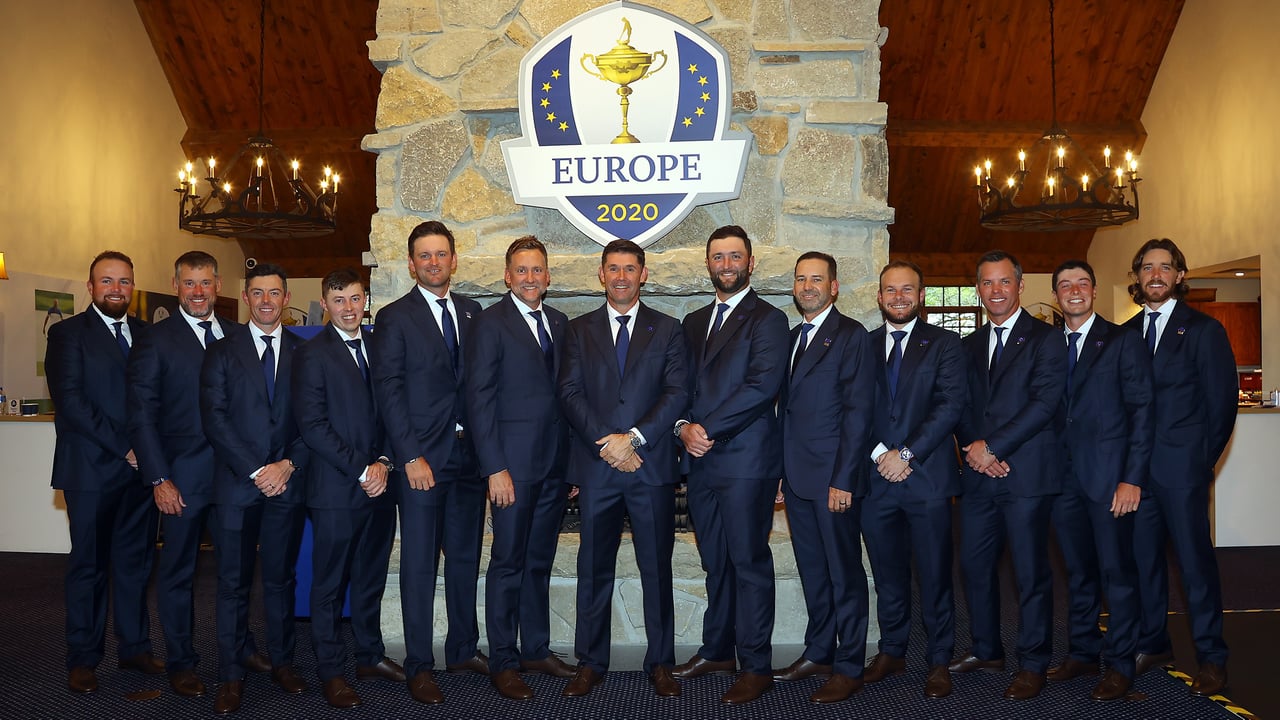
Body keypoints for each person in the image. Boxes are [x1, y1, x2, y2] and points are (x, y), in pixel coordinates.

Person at [557, 239, 689, 698]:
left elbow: (676, 393)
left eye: (629, 269)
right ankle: (590, 662)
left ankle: (661, 663)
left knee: (657, 568)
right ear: (601, 274)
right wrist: (607, 445)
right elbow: (569, 393)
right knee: (594, 568)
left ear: (643, 274)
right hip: (597, 469)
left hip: (648, 466)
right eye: (613, 268)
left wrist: (631, 439)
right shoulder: (577, 331)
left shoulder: (669, 329)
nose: (621, 277)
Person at [129, 251, 259, 698]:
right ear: (176, 284)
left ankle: (239, 649)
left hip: (237, 480)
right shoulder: (155, 339)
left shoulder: (241, 335)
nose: (199, 292)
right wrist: (158, 477)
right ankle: (182, 663)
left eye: (206, 283)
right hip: (181, 479)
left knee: (237, 573)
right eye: (190, 283)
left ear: (217, 285)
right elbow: (141, 414)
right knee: (178, 574)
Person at [370, 221, 487, 704]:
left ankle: (462, 648)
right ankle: (419, 664)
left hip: (469, 460)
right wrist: (410, 456)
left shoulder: (474, 312)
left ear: (453, 260)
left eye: (442, 254)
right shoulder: (395, 316)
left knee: (464, 559)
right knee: (419, 565)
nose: (434, 262)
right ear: (412, 262)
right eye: (425, 256)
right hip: (422, 462)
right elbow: (388, 392)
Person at [672, 225, 789, 705]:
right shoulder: (694, 321)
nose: (726, 264)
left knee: (749, 563)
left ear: (750, 262)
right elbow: (679, 387)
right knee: (715, 563)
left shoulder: (770, 320)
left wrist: (706, 430)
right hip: (700, 464)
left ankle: (756, 665)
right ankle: (718, 649)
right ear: (708, 264)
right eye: (717, 257)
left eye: (734, 256)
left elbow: (761, 388)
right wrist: (682, 425)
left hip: (745, 462)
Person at [1123, 238, 1237, 697]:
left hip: (1182, 472)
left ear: (1179, 276)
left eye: (1164, 268)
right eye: (1147, 267)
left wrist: (1198, 462)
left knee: (1195, 566)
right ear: (1138, 276)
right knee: (1144, 564)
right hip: (1136, 477)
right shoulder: (1125, 333)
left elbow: (1222, 405)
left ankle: (1212, 657)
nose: (1155, 275)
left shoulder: (1204, 331)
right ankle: (1154, 643)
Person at [950, 250, 1066, 701]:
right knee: (974, 566)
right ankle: (986, 649)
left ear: (1019, 286)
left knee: (1030, 573)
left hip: (1026, 476)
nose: (995, 291)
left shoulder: (1046, 339)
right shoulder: (968, 345)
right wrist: (974, 448)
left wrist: (993, 448)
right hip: (979, 479)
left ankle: (1033, 662)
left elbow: (1044, 404)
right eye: (986, 283)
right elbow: (958, 405)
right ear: (978, 288)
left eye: (1003, 282)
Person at [47, 251, 163, 694]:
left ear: (133, 287)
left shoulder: (148, 334)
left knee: (136, 566)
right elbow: (72, 403)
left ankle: (134, 649)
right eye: (107, 281)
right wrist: (128, 448)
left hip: (140, 475)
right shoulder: (66, 334)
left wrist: (149, 453)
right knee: (89, 568)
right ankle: (83, 658)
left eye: (125, 281)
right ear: (91, 286)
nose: (117, 289)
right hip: (92, 471)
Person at [465, 236, 575, 700]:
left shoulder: (560, 322)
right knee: (507, 563)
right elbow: (479, 400)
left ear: (547, 276)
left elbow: (566, 398)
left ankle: (536, 648)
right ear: (507, 276)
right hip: (510, 467)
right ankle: (504, 660)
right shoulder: (490, 324)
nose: (531, 278)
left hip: (552, 467)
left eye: (538, 270)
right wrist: (494, 467)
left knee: (538, 561)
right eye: (521, 270)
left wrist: (569, 468)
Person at [199, 262, 309, 713]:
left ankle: (283, 662)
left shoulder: (307, 354)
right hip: (237, 489)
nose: (266, 301)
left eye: (274, 293)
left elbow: (316, 420)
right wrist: (255, 470)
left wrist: (287, 465)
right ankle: (230, 674)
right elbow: (215, 420)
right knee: (232, 584)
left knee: (282, 580)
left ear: (286, 298)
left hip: (287, 485)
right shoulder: (221, 352)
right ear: (246, 298)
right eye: (258, 293)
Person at [292, 268, 402, 709]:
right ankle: (331, 671)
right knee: (330, 585)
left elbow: (396, 410)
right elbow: (313, 426)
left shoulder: (380, 345)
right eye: (339, 300)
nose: (349, 308)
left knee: (371, 577)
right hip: (337, 489)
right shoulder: (311, 354)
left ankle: (369, 655)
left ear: (366, 300)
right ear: (325, 304)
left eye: (355, 299)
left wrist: (386, 463)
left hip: (382, 484)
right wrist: (363, 469)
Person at [1046, 259, 1153, 702]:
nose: (1074, 290)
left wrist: (1132, 479)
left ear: (1092, 292)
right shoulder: (1048, 345)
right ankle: (1084, 652)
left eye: (1082, 283)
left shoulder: (1123, 341)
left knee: (1117, 574)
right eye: (1065, 285)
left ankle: (1121, 666)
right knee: (1077, 572)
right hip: (1061, 480)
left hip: (1110, 479)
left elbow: (1143, 413)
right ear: (1056, 295)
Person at [772, 252, 874, 704]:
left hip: (833, 480)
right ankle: (819, 651)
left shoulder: (851, 336)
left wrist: (845, 479)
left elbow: (858, 415)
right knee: (814, 572)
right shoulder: (794, 338)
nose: (808, 286)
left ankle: (849, 665)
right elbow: (784, 413)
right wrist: (779, 473)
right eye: (801, 279)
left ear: (834, 287)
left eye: (817, 279)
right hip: (796, 479)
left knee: (844, 574)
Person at [861, 260, 965, 699]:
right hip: (876, 481)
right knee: (887, 576)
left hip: (928, 481)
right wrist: (879, 454)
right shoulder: (861, 346)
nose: (898, 297)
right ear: (879, 296)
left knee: (935, 574)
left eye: (907, 290)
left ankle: (940, 659)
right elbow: (851, 409)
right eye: (890, 290)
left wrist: (905, 453)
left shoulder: (944, 344)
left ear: (921, 296)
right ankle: (892, 650)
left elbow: (949, 406)